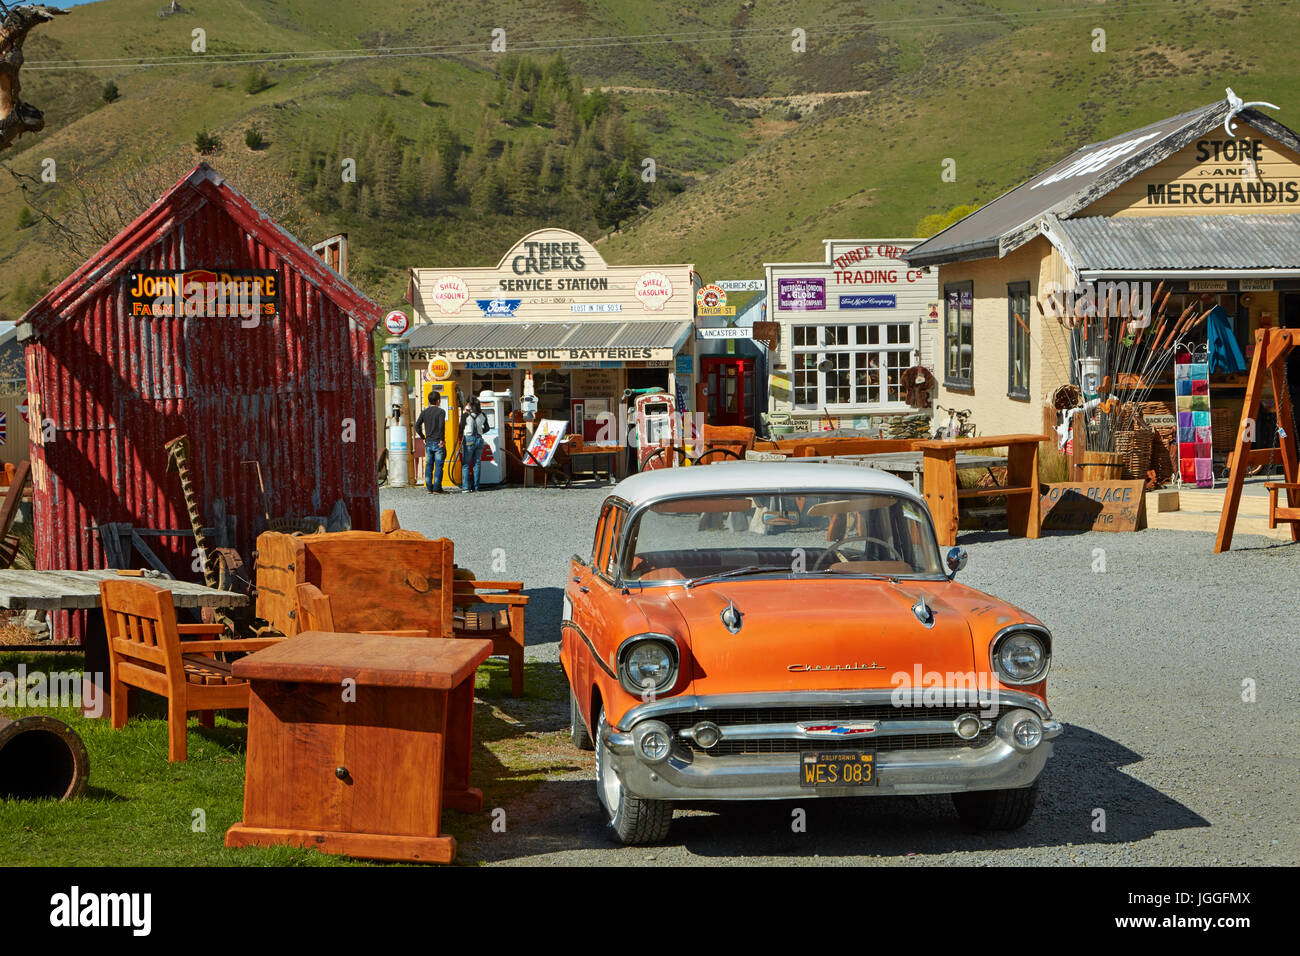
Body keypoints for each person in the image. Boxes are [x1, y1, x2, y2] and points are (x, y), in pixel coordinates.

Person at [415, 393, 447, 494]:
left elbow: (417, 425)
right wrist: (442, 439)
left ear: (429, 401)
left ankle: (429, 488)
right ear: (438, 401)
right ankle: (437, 488)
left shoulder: (425, 412)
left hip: (428, 442)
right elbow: (441, 426)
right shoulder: (441, 411)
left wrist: (423, 437)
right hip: (438, 442)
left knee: (429, 465)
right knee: (438, 466)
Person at [461, 397, 489, 493]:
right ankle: (476, 487)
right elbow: (487, 428)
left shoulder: (465, 415)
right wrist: (480, 432)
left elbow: (461, 427)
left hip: (468, 439)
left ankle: (466, 487)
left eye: (467, 403)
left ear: (469, 405)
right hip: (479, 439)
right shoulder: (483, 415)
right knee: (476, 463)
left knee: (466, 464)